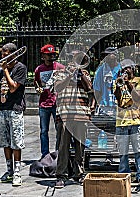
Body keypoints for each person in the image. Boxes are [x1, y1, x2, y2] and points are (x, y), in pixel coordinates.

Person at [0, 43, 27, 186]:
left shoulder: (20, 68)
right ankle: (9, 171)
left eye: (6, 54)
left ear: (13, 54)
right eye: (2, 54)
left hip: (15, 109)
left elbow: (13, 87)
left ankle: (17, 173)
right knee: (5, 141)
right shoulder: (0, 69)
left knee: (16, 141)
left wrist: (6, 71)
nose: (3, 57)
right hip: (1, 108)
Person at [54, 51, 93, 188]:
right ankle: (61, 175)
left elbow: (89, 88)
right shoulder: (59, 72)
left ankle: (79, 174)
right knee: (63, 146)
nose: (74, 61)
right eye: (72, 58)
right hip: (64, 114)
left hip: (81, 113)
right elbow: (58, 87)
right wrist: (69, 75)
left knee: (80, 146)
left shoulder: (85, 73)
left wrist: (80, 74)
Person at [113, 59, 140, 193]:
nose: (125, 70)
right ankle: (123, 177)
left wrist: (128, 83)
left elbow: (137, 97)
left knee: (139, 151)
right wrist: (118, 85)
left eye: (128, 68)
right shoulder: (119, 80)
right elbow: (117, 98)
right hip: (121, 122)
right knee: (123, 154)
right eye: (123, 68)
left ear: (133, 69)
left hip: (136, 121)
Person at [34, 44, 65, 159]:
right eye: (48, 55)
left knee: (59, 130)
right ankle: (45, 154)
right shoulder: (39, 69)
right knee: (44, 131)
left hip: (57, 103)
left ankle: (59, 152)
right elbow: (36, 83)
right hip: (44, 103)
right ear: (43, 56)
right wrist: (37, 89)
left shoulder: (60, 67)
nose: (51, 57)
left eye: (52, 54)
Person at [93, 47, 121, 116]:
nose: (107, 57)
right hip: (105, 106)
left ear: (115, 56)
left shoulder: (122, 69)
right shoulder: (101, 70)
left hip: (119, 106)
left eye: (109, 55)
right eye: (106, 55)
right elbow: (97, 90)